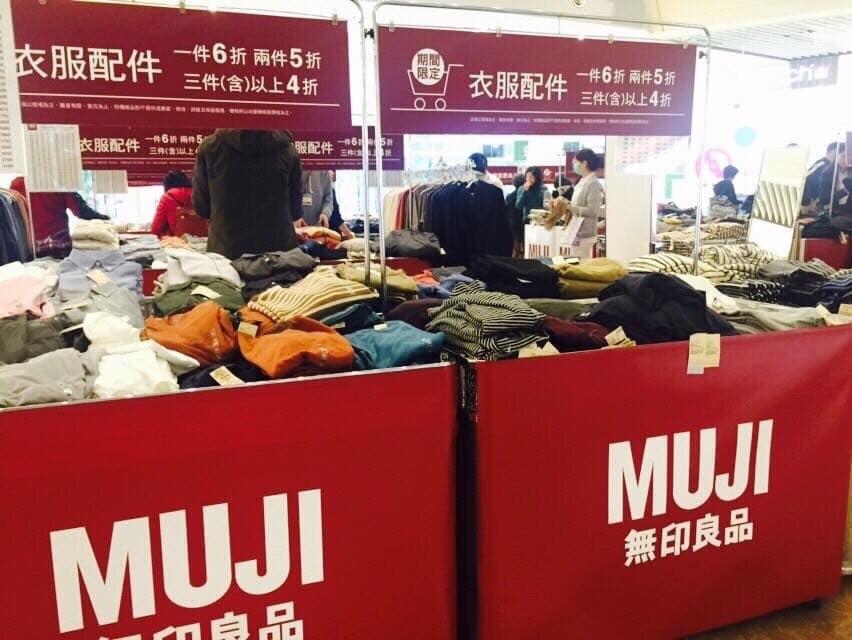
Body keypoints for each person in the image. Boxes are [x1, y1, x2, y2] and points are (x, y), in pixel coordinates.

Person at [193, 129, 302, 260]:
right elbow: (296, 211)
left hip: (226, 254)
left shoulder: (209, 148)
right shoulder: (287, 149)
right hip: (278, 255)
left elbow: (202, 208)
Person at [9, 176, 109, 258]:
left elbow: (12, 219)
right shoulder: (58, 181)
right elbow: (81, 211)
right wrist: (106, 219)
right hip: (60, 248)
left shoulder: (17, 185)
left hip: (30, 251)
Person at [568, 148, 605, 259]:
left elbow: (592, 210)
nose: (574, 166)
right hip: (576, 230)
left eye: (575, 163)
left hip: (585, 233)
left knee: (580, 261)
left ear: (584, 163)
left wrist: (571, 207)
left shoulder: (593, 183)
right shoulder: (582, 181)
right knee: (576, 260)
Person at [151, 170, 194, 237]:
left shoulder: (167, 198)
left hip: (178, 241)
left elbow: (155, 229)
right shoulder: (199, 195)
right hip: (204, 240)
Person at [803, 142, 843, 207]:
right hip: (815, 203)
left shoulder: (825, 165)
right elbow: (812, 183)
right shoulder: (822, 166)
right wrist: (814, 202)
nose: (837, 156)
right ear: (827, 153)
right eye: (835, 153)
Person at [327, 170, 354, 240]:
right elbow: (336, 217)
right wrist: (350, 236)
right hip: (330, 235)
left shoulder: (329, 190)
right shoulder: (329, 191)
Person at [818, 143, 847, 207]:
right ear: (837, 156)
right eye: (843, 156)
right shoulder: (827, 173)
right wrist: (845, 191)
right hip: (835, 209)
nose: (846, 160)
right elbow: (824, 199)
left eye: (849, 157)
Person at [506, 174, 526, 258]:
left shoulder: (509, 196)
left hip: (513, 221)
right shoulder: (526, 194)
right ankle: (524, 256)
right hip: (523, 220)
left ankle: (515, 258)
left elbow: (507, 210)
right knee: (525, 240)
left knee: (516, 240)